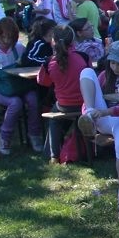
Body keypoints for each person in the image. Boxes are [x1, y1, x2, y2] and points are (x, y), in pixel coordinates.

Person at [78, 40, 119, 219]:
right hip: (102, 117)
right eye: (112, 62)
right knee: (86, 72)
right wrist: (90, 111)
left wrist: (106, 112)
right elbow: (90, 97)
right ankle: (89, 117)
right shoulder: (104, 75)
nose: (114, 67)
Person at [0, 17, 44, 154]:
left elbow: (28, 65)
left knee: (33, 99)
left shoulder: (19, 48)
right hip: (1, 89)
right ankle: (5, 136)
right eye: (3, 37)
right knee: (15, 103)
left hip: (21, 86)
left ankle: (34, 134)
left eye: (10, 38)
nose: (7, 41)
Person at [37, 25, 88, 162]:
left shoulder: (50, 62)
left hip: (64, 104)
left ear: (53, 41)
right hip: (85, 103)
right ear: (73, 41)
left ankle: (53, 154)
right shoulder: (83, 57)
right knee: (58, 115)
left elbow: (43, 82)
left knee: (54, 119)